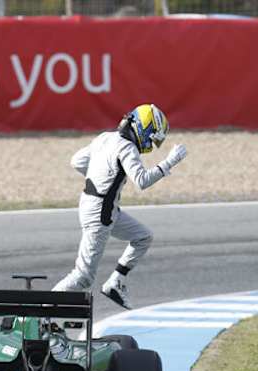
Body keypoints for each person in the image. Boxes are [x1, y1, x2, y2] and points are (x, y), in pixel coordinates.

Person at [52, 104, 188, 309]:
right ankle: (40, 314)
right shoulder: (127, 148)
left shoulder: (105, 137)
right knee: (83, 276)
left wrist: (99, 176)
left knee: (142, 237)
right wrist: (169, 162)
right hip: (101, 211)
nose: (150, 144)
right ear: (143, 128)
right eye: (152, 137)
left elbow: (77, 161)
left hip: (98, 205)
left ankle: (115, 282)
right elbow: (142, 181)